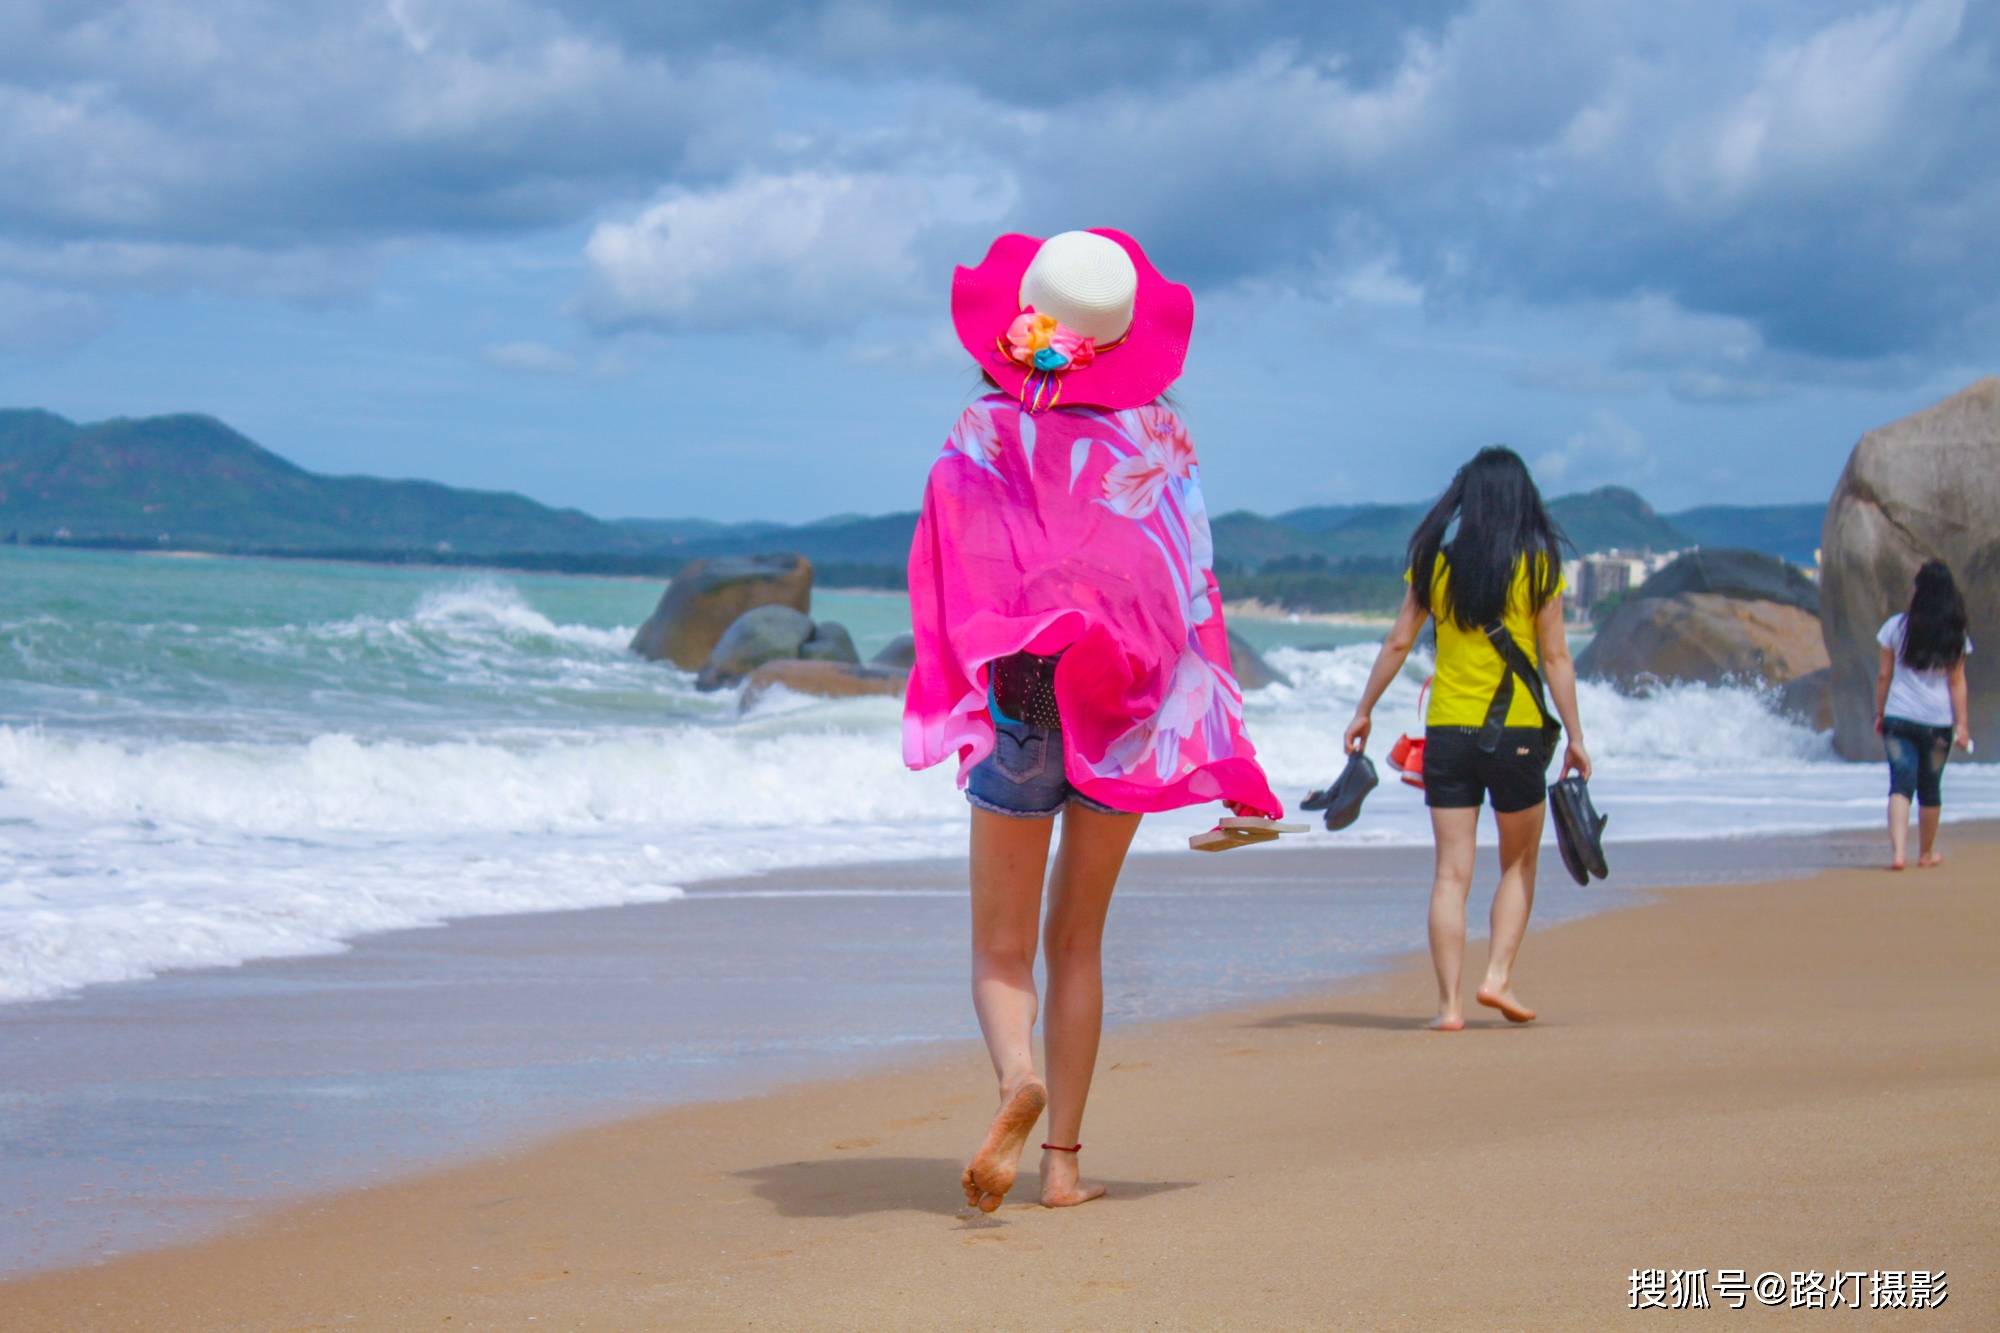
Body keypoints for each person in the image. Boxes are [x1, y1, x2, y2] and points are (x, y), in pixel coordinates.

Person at [904, 229, 1282, 1211]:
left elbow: (952, 563)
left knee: (999, 945)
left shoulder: (984, 427)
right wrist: (1222, 746)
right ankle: (1062, 1166)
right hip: (1123, 694)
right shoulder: (1161, 439)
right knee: (1077, 940)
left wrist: (960, 681)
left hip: (1028, 683)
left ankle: (1011, 1077)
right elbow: (1190, 586)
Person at [1341, 446, 1590, 1031]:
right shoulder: (1539, 565)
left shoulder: (1436, 563)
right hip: (1519, 735)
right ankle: (1496, 977)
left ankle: (1449, 1007)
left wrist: (1364, 711)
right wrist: (1576, 735)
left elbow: (1399, 641)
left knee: (1451, 873)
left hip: (1448, 733)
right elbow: (1555, 657)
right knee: (1518, 863)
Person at [1874, 559, 1973, 870]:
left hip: (1898, 718)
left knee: (1900, 785)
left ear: (1918, 591)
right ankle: (1926, 853)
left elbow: (1883, 676)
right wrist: (1963, 725)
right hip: (1937, 723)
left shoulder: (1895, 626)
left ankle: (1898, 854)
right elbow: (1957, 682)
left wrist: (1880, 712)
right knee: (1930, 788)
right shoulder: (1955, 634)